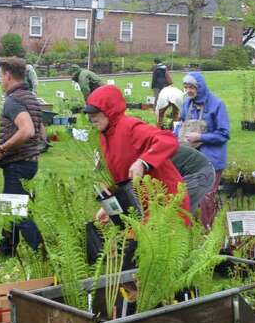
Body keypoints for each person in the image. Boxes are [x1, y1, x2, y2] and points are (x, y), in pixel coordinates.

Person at [84, 84, 191, 222]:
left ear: (110, 110)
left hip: (165, 202)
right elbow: (122, 179)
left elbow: (168, 140)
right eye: (89, 114)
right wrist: (109, 206)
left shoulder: (130, 127)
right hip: (141, 205)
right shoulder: (104, 137)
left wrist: (143, 162)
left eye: (95, 113)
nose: (92, 118)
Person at [0, 57, 46, 257]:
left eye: (0, 75)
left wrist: (1, 149)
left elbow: (27, 130)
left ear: (8, 75)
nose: (0, 80)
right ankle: (6, 247)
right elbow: (41, 132)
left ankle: (43, 253)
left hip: (18, 164)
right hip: (29, 162)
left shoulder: (13, 100)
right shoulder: (30, 97)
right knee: (10, 207)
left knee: (19, 211)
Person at [174, 71, 230, 228]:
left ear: (200, 86)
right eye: (186, 87)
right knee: (189, 195)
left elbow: (224, 134)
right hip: (191, 161)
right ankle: (190, 229)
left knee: (206, 197)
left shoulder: (217, 105)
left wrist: (200, 137)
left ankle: (206, 232)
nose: (188, 90)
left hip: (212, 160)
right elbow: (181, 125)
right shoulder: (187, 103)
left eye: (191, 87)